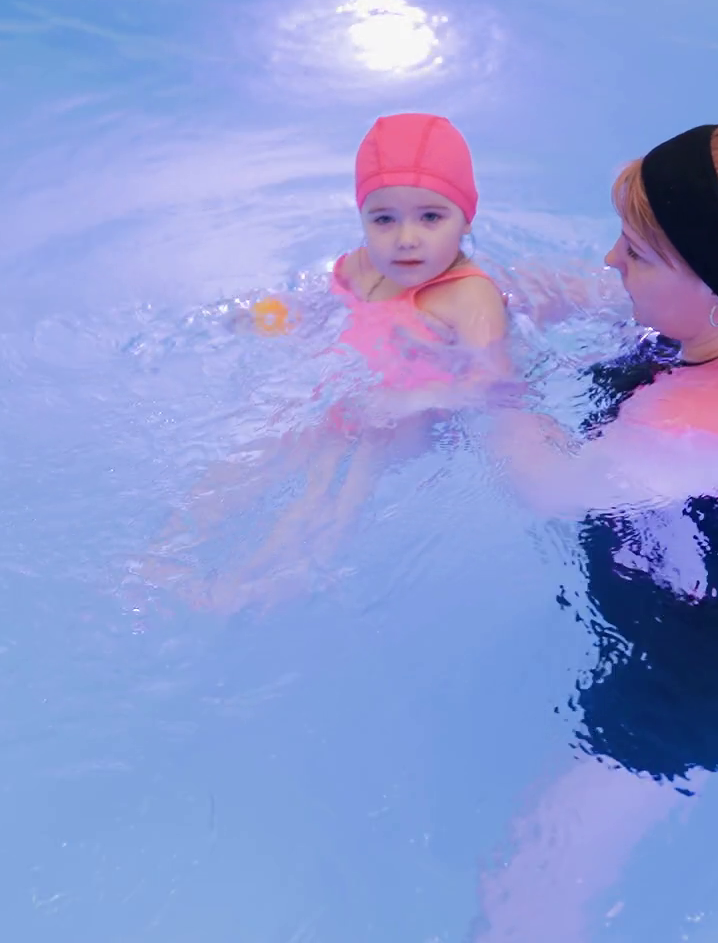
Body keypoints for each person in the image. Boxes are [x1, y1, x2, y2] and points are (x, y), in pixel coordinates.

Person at [473, 123, 718, 941]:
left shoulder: (699, 422)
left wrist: (486, 371)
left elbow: (545, 486)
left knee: (524, 886)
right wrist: (489, 289)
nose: (609, 262)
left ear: (707, 283)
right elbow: (614, 298)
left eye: (634, 253)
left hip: (716, 673)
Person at [137, 114, 509, 612]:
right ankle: (160, 555)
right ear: (362, 216)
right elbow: (320, 305)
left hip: (402, 421)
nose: (405, 238)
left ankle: (259, 586)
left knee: (328, 495)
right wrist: (271, 315)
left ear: (467, 218)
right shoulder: (362, 265)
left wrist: (409, 401)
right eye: (384, 219)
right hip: (339, 398)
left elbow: (493, 384)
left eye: (430, 217)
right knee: (253, 458)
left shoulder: (468, 297)